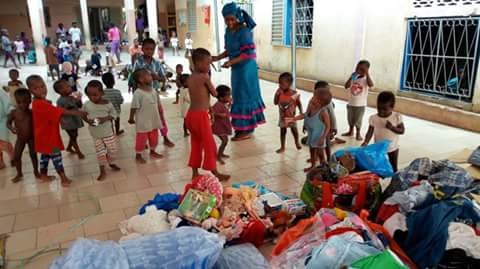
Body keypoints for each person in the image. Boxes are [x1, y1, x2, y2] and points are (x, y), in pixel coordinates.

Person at [212, 3, 266, 141]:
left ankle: (247, 129)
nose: (229, 22)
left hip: (246, 68)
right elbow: (230, 51)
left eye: (231, 19)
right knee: (238, 95)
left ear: (237, 17)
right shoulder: (228, 32)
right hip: (237, 69)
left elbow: (248, 54)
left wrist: (231, 62)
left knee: (245, 96)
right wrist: (217, 58)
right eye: (226, 20)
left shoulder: (244, 31)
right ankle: (243, 128)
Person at [26, 75, 87, 186]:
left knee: (45, 156)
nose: (41, 89)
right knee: (56, 157)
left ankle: (43, 174)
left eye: (42, 86)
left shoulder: (38, 102)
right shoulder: (40, 104)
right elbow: (60, 111)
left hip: (43, 136)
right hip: (49, 137)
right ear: (30, 90)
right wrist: (77, 113)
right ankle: (63, 179)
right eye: (36, 88)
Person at [186, 48, 230, 181]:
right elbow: (214, 93)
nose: (209, 66)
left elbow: (200, 96)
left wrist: (209, 107)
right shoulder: (204, 76)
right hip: (200, 116)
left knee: (196, 143)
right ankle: (215, 171)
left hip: (191, 115)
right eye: (207, 63)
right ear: (197, 63)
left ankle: (194, 173)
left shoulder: (190, 77)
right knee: (209, 144)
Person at [132, 38, 174, 147]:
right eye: (147, 49)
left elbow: (163, 78)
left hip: (153, 94)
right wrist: (134, 92)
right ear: (142, 49)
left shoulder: (156, 63)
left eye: (151, 49)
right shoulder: (138, 62)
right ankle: (144, 140)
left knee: (160, 114)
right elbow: (133, 78)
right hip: (141, 94)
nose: (149, 51)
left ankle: (165, 137)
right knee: (143, 117)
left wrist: (158, 77)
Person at [83, 80, 121, 181]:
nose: (92, 97)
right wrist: (88, 121)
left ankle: (111, 162)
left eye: (95, 95)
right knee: (100, 153)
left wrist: (104, 119)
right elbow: (83, 114)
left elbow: (114, 114)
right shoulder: (87, 104)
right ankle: (102, 170)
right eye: (89, 95)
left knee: (112, 150)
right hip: (96, 135)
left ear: (102, 93)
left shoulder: (108, 104)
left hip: (108, 133)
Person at [291, 81, 332, 172]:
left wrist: (323, 138)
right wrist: (294, 119)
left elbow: (328, 127)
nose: (312, 99)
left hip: (319, 137)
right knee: (311, 150)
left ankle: (323, 168)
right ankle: (313, 165)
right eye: (313, 96)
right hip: (312, 134)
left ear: (321, 103)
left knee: (320, 153)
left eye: (315, 98)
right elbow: (306, 115)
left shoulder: (323, 112)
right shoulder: (311, 105)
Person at [362, 91, 405, 172]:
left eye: (385, 109)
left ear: (392, 107)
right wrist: (366, 142)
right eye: (379, 108)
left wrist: (392, 127)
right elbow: (370, 132)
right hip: (379, 147)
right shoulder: (373, 118)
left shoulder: (396, 117)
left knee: (394, 167)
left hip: (393, 148)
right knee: (378, 167)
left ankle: (394, 181)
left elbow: (402, 131)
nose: (381, 111)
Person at [128, 69, 164, 163]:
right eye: (148, 75)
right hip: (143, 122)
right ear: (141, 79)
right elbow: (134, 107)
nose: (151, 76)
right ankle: (138, 154)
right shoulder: (138, 93)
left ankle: (152, 151)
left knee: (154, 137)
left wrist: (160, 113)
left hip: (154, 119)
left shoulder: (154, 91)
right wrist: (131, 118)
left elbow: (158, 103)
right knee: (141, 139)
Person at [7, 89, 40, 182]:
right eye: (20, 103)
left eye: (26, 102)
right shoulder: (14, 113)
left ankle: (36, 172)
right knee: (17, 156)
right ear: (16, 102)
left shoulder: (32, 112)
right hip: (20, 138)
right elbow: (8, 123)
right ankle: (19, 173)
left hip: (31, 138)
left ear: (30, 101)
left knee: (33, 155)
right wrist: (12, 128)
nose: (24, 105)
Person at [342, 60, 374, 141]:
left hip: (360, 104)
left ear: (366, 70)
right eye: (357, 68)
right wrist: (351, 77)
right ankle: (350, 131)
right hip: (351, 102)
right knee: (350, 118)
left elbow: (371, 85)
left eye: (362, 69)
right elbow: (346, 86)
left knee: (358, 120)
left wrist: (367, 74)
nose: (359, 70)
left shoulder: (366, 79)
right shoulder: (354, 77)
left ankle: (358, 133)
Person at [54, 79, 85, 159]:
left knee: (74, 135)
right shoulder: (60, 101)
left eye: (69, 86)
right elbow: (60, 112)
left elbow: (79, 106)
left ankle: (69, 148)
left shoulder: (72, 96)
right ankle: (78, 152)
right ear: (59, 91)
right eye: (67, 86)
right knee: (73, 135)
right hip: (67, 122)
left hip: (75, 120)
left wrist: (79, 99)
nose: (70, 87)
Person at [274, 72, 302, 153]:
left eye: (282, 83)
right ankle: (282, 147)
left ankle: (297, 142)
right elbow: (275, 102)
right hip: (282, 117)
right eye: (279, 83)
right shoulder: (279, 93)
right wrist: (276, 95)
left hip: (291, 116)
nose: (280, 85)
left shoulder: (294, 93)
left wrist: (301, 111)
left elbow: (299, 103)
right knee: (283, 131)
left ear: (289, 84)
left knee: (294, 130)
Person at [212, 85, 233, 165]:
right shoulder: (218, 105)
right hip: (218, 127)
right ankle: (218, 156)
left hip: (222, 126)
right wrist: (219, 115)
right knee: (224, 141)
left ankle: (221, 153)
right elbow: (212, 112)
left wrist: (230, 104)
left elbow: (226, 109)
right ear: (221, 98)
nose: (229, 97)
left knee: (225, 141)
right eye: (228, 95)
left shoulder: (223, 104)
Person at [0, 87, 13, 170]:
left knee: (4, 142)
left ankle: (13, 158)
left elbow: (7, 103)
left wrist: (10, 111)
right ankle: (0, 162)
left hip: (1, 121)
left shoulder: (0, 92)